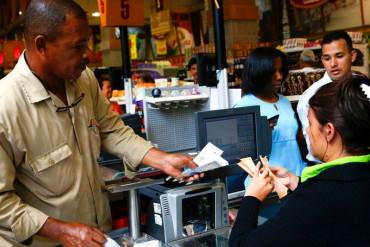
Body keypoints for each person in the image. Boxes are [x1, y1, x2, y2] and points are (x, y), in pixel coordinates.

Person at [0, 1, 200, 246]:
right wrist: (60, 230)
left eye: (89, 43)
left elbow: (111, 130)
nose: (89, 56)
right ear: (41, 45)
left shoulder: (84, 80)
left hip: (99, 236)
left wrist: (160, 158)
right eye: (78, 46)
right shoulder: (6, 107)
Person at [229, 75, 370, 247]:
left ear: (329, 131)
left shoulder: (316, 197)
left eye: (309, 124)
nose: (307, 132)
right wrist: (295, 185)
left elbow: (241, 244)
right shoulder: (345, 183)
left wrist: (251, 198)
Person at [234, 47, 306, 179]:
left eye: (281, 71)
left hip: (295, 175)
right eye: (272, 72)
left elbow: (292, 138)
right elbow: (240, 154)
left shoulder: (284, 102)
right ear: (258, 73)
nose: (279, 77)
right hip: (268, 182)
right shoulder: (244, 106)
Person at [297, 30, 357, 163]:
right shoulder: (310, 97)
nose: (333, 64)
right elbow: (314, 148)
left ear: (352, 56)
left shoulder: (364, 88)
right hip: (327, 170)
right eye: (327, 58)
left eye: (339, 56)